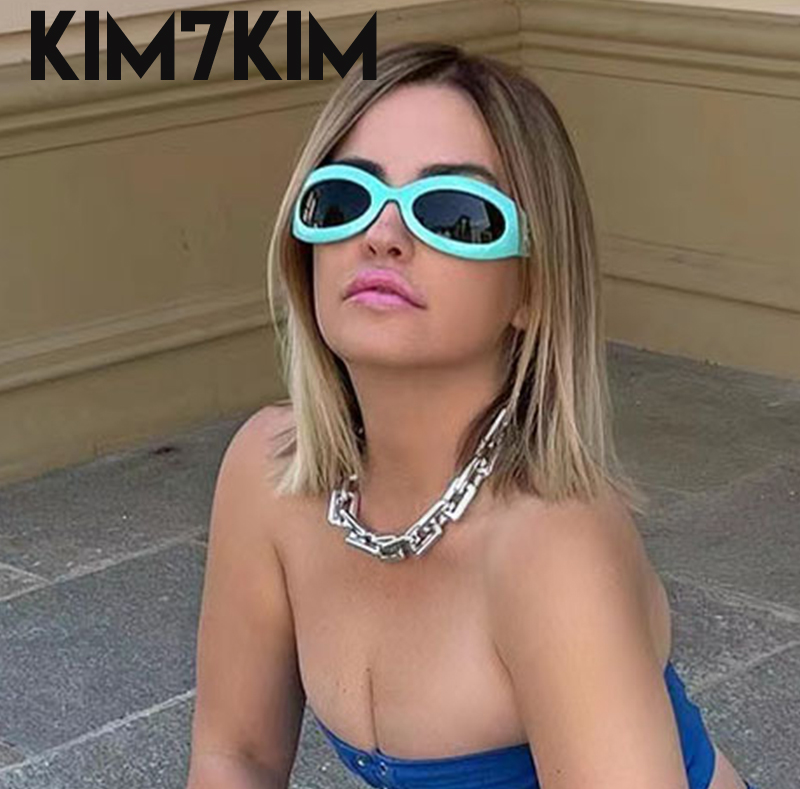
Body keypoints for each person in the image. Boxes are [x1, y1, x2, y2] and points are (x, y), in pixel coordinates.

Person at [185, 42, 759, 789]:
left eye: (454, 214)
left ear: (534, 288)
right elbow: (237, 756)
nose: (381, 236)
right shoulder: (267, 473)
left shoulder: (551, 547)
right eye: (344, 199)